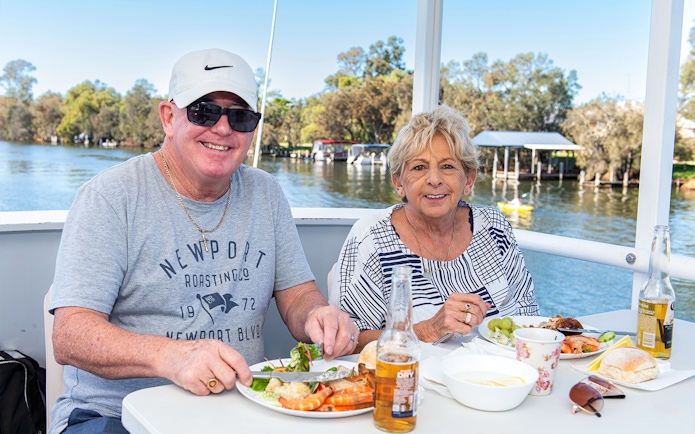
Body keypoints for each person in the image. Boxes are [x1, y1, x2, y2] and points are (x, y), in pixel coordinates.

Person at [48, 48, 359, 434]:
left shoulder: (266, 193)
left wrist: (318, 316)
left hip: (240, 409)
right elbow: (70, 335)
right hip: (115, 415)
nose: (223, 128)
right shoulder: (111, 196)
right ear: (168, 117)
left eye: (240, 116)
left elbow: (297, 295)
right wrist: (170, 357)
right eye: (203, 111)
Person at [329, 105, 538, 351]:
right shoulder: (372, 239)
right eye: (419, 167)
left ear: (468, 179)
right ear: (399, 183)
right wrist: (426, 330)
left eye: (448, 166)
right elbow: (347, 341)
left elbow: (528, 315)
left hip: (502, 380)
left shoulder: (494, 227)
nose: (435, 179)